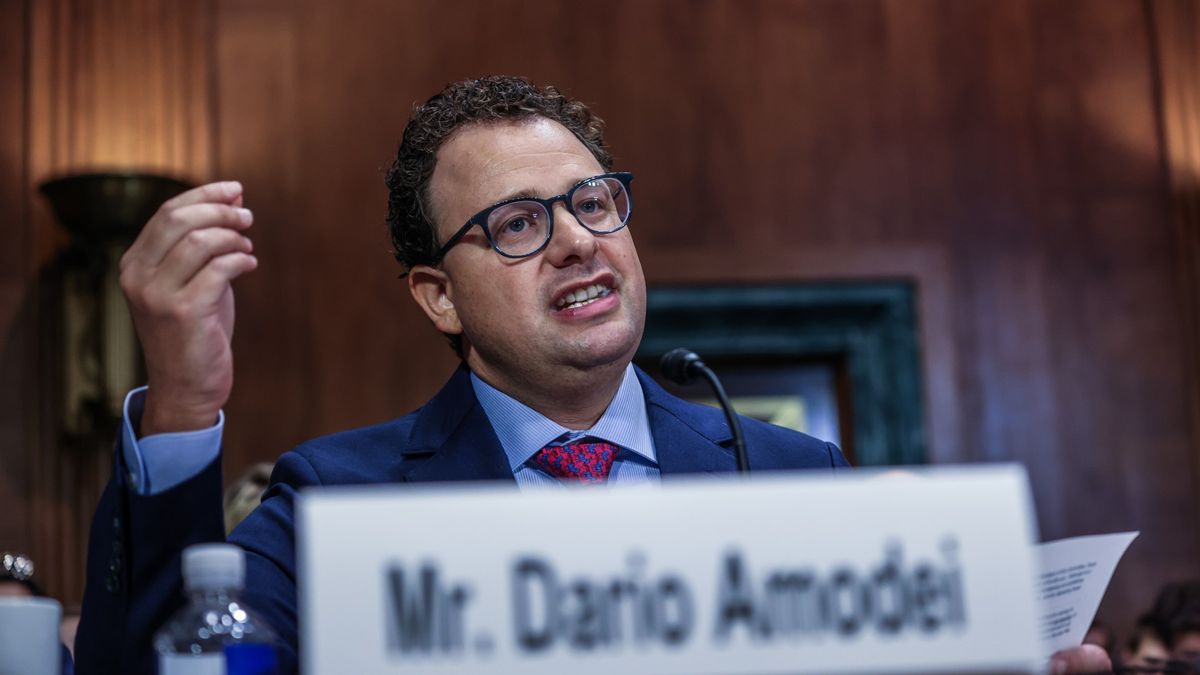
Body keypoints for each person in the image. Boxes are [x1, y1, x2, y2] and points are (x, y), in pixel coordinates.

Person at [72, 76, 1107, 674]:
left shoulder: (794, 479)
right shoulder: (331, 505)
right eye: (518, 223)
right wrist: (184, 407)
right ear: (438, 296)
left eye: (595, 203)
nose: (577, 242)